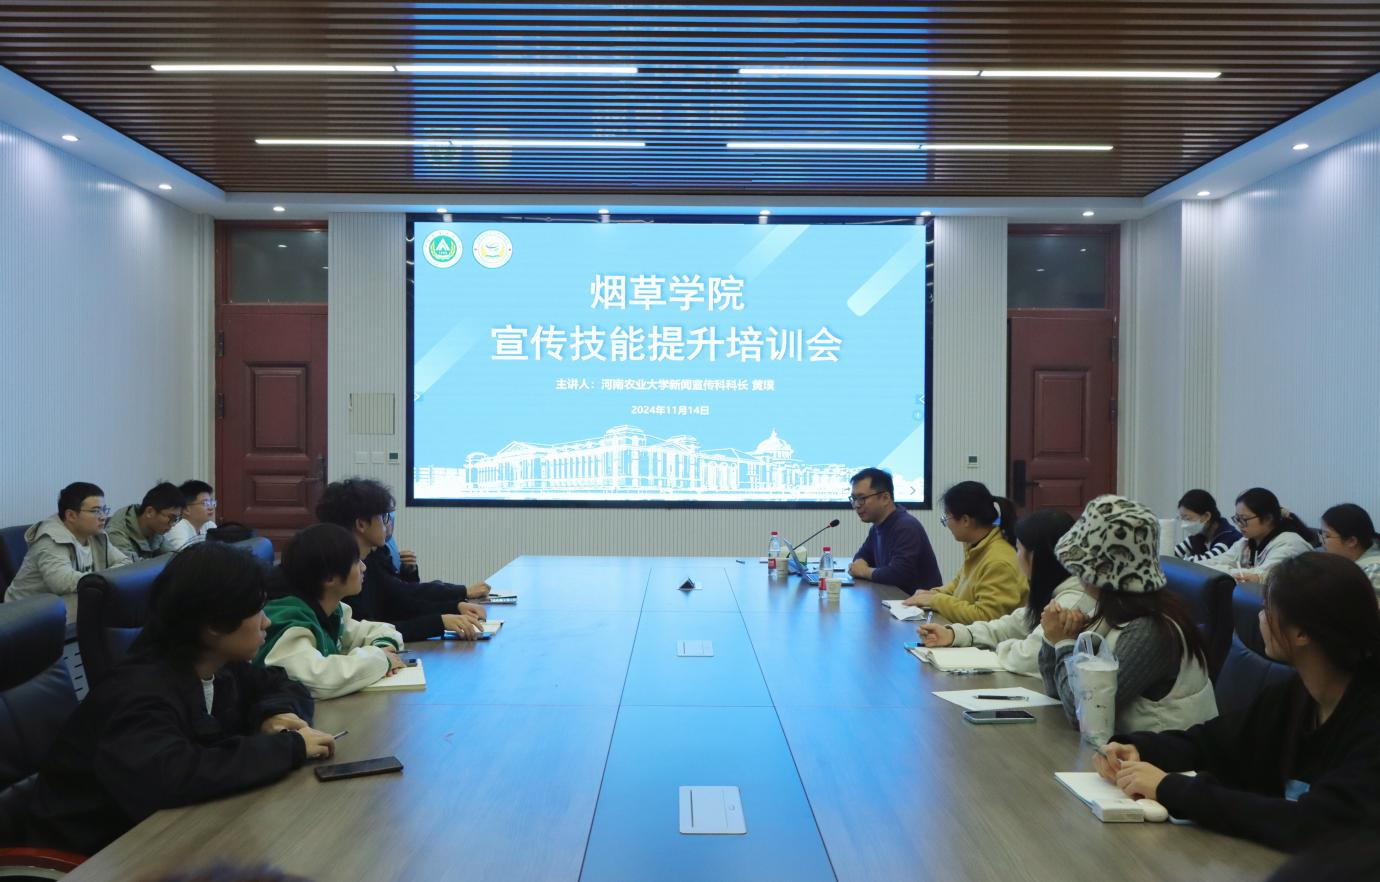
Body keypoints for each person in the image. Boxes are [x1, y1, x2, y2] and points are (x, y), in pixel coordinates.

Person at [14, 543, 334, 856]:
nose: (267, 621)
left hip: (162, 839)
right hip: (91, 859)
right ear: (214, 624)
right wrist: (289, 747)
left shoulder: (216, 663)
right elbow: (175, 776)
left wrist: (274, 714)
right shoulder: (139, 694)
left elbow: (283, 685)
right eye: (256, 610)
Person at [1094, 553, 1380, 852]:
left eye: (1268, 609)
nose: (1260, 618)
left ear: (1302, 633)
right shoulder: (1295, 695)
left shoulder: (1370, 720)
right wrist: (1140, 748)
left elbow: (1311, 823)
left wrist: (1170, 788)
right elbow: (1212, 742)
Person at [1039, 495, 1218, 733]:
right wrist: (1053, 638)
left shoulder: (1148, 630)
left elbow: (1084, 714)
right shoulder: (1112, 611)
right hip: (1128, 749)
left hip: (1161, 754)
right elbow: (1056, 692)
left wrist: (1063, 643)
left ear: (1096, 572)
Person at [918, 509, 1096, 677]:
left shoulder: (1070, 602)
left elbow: (1027, 658)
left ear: (1036, 557)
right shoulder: (1055, 591)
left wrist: (996, 648)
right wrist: (954, 634)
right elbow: (1011, 625)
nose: (1015, 556)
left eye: (1019, 549)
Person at [315, 478, 489, 642]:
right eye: (383, 517)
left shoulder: (371, 559)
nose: (387, 524)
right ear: (361, 524)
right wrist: (440, 622)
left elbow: (400, 599)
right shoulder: (338, 572)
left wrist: (453, 608)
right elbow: (369, 631)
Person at [254, 523, 406, 700]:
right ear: (329, 577)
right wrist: (380, 660)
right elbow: (316, 679)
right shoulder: (289, 618)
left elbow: (379, 630)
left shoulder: (330, 609)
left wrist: (383, 649)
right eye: (356, 561)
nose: (363, 567)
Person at [899, 481, 1025, 625]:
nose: (947, 525)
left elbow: (987, 617)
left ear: (965, 520)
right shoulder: (978, 546)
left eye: (947, 518)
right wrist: (931, 594)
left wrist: (935, 600)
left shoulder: (998, 562)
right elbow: (957, 585)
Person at [4, 481, 131, 620]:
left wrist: (102, 581)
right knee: (94, 601)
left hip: (57, 604)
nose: (103, 517)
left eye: (104, 509)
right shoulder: (50, 539)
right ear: (71, 515)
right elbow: (62, 582)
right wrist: (104, 580)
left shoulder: (95, 534)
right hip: (23, 613)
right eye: (96, 511)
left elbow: (125, 563)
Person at [846, 467, 942, 593]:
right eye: (854, 499)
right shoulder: (877, 526)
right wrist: (859, 565)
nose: (857, 505)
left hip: (917, 603)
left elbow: (898, 575)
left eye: (862, 498)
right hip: (894, 599)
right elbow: (862, 556)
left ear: (885, 498)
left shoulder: (906, 526)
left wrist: (864, 571)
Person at [1199, 487, 1316, 585]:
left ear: (1268, 518)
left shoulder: (1291, 544)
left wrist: (1225, 570)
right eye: (1237, 519)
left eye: (1244, 519)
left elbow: (1260, 577)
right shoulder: (1247, 541)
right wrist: (1195, 566)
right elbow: (1219, 560)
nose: (1239, 525)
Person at [105, 481, 185, 560]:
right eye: (171, 517)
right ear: (150, 512)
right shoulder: (117, 533)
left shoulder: (155, 530)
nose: (173, 524)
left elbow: (175, 558)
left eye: (176, 519)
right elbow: (132, 567)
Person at [1317, 503, 1380, 598]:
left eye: (1326, 535)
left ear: (1351, 541)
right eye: (1321, 534)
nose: (1321, 541)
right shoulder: (1344, 561)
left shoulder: (1373, 572)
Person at [1171, 489, 1241, 563]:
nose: (1183, 524)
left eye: (1187, 518)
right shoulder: (1198, 535)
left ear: (1206, 516)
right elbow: (1169, 555)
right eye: (1181, 518)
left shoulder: (1228, 537)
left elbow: (1206, 562)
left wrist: (1182, 560)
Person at [166, 479, 218, 551]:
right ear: (186, 509)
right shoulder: (177, 528)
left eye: (211, 502)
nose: (211, 508)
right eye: (204, 503)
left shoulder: (209, 525)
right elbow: (186, 556)